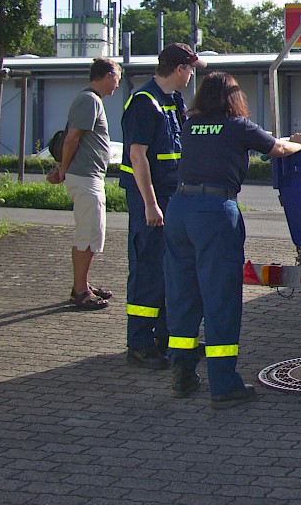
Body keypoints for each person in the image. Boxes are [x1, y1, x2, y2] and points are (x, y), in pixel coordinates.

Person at [163, 71, 301, 409]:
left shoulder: (189, 124)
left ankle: (182, 374)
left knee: (183, 296)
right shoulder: (237, 126)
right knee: (221, 299)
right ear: (233, 97)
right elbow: (278, 148)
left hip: (179, 210)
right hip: (214, 212)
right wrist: (300, 141)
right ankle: (224, 384)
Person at [119, 43, 204, 371]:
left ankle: (169, 340)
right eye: (192, 68)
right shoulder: (145, 102)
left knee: (173, 271)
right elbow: (137, 156)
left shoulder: (172, 100)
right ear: (180, 69)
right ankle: (139, 345)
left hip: (173, 197)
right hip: (151, 201)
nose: (193, 75)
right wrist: (150, 205)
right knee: (148, 271)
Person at [46, 58, 122, 310]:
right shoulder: (89, 100)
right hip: (86, 177)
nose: (117, 84)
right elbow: (72, 138)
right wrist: (63, 169)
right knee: (87, 234)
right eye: (117, 78)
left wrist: (64, 169)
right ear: (108, 75)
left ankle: (83, 285)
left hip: (89, 176)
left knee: (91, 233)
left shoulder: (91, 100)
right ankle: (79, 291)